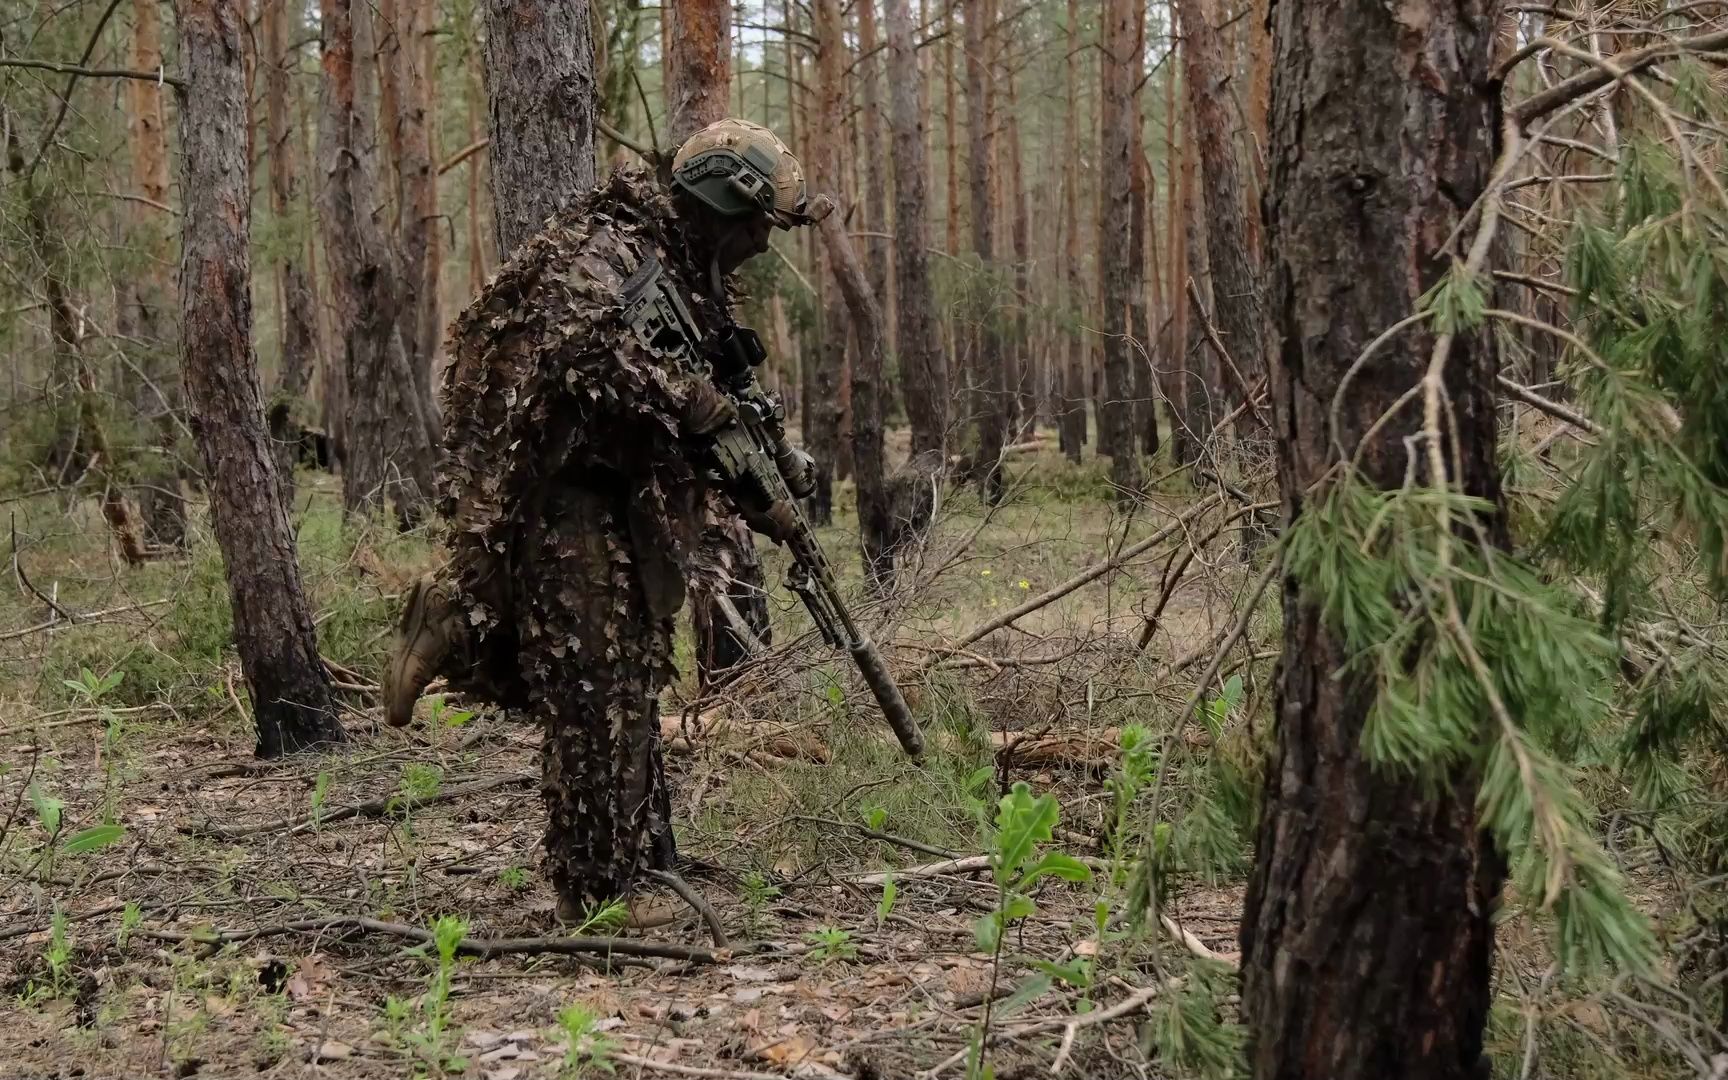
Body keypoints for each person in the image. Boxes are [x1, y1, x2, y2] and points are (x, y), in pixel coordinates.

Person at [381, 119, 828, 918]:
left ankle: (645, 856)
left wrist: (763, 464)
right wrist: (699, 410)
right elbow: (587, 355)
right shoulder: (604, 248)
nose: (764, 242)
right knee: (593, 688)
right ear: (724, 203)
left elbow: (716, 382)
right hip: (566, 494)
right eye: (759, 222)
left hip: (626, 498)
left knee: (629, 678)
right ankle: (596, 892)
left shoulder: (690, 271)